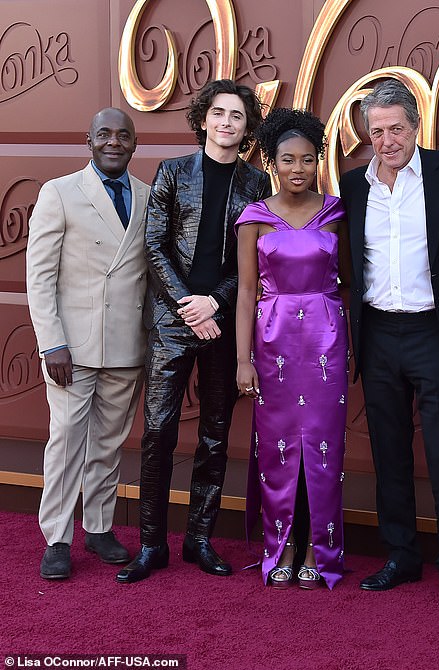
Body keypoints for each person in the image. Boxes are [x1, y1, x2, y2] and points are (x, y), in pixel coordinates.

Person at [116, 79, 271, 584]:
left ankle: (199, 540)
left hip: (224, 324)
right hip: (172, 321)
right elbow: (154, 244)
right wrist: (189, 307)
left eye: (238, 116)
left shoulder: (256, 185)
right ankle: (152, 545)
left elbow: (253, 264)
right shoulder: (172, 172)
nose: (227, 123)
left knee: (215, 434)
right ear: (203, 118)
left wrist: (215, 303)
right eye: (219, 113)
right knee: (158, 431)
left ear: (247, 128)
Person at [338, 79, 439, 607]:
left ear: (417, 126)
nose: (388, 140)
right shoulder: (354, 187)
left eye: (396, 128)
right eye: (377, 131)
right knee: (389, 450)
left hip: (433, 332)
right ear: (366, 134)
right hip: (377, 333)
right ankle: (400, 554)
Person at [26, 108, 150, 579]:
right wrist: (51, 343)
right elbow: (39, 277)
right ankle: (56, 537)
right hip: (70, 350)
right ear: (89, 141)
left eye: (123, 134)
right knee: (65, 442)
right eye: (104, 134)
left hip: (124, 346)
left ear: (134, 142)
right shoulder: (58, 192)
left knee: (108, 444)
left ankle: (98, 529)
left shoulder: (146, 196)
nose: (113, 142)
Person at [235, 108, 349, 589]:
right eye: (287, 160)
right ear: (272, 163)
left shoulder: (337, 211)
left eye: (307, 159)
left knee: (325, 449)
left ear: (317, 160)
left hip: (326, 341)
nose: (297, 168)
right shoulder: (254, 217)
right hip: (272, 341)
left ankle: (319, 554)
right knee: (277, 450)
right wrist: (242, 359)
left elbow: (349, 284)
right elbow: (244, 292)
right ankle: (279, 546)